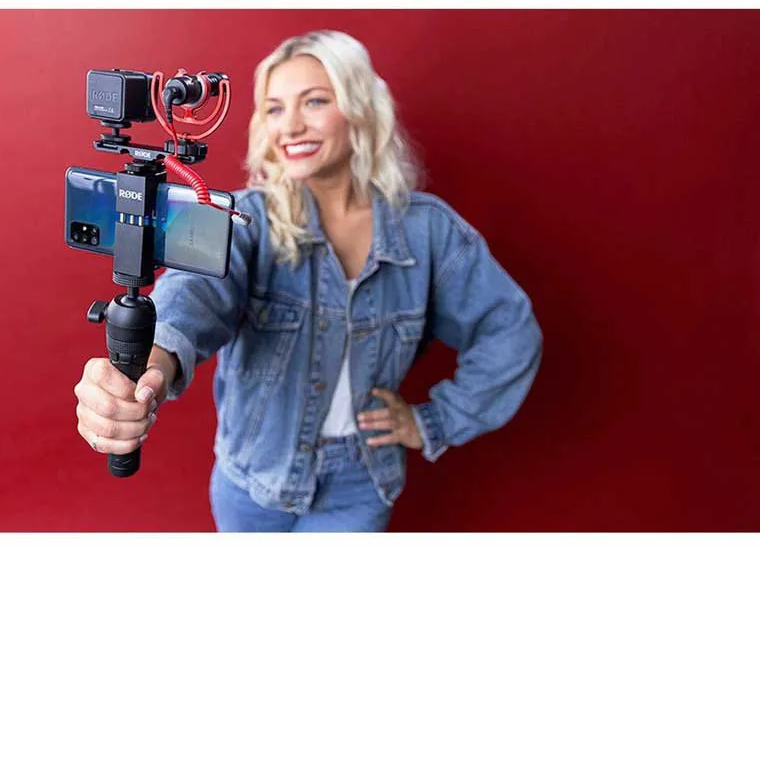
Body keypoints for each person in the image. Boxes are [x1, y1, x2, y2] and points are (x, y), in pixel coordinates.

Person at [74, 30, 543, 532]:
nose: (291, 125)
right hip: (253, 480)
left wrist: (433, 421)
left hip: (360, 483)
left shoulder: (429, 231)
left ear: (360, 107)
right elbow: (187, 301)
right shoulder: (243, 219)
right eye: (274, 108)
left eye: (315, 101)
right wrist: (144, 375)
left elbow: (509, 332)